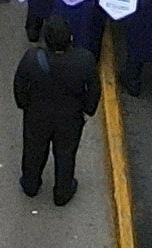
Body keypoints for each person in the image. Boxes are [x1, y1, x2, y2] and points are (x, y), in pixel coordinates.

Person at [12, 17, 101, 205]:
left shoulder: (32, 59)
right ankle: (62, 192)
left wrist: (25, 105)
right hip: (70, 118)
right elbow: (93, 89)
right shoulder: (84, 59)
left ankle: (30, 185)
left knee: (33, 150)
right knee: (65, 154)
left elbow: (19, 85)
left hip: (37, 115)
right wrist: (87, 111)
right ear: (70, 39)